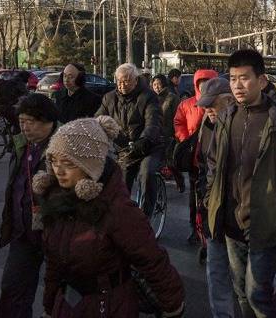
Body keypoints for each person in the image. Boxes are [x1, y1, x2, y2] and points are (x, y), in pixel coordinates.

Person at [32, 116, 185, 318]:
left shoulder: (117, 208)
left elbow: (150, 257)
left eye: (68, 163)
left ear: (90, 165)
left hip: (109, 306)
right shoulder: (56, 201)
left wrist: (172, 305)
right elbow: (54, 265)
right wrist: (50, 306)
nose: (58, 170)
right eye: (53, 161)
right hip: (69, 306)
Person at [205, 49, 276, 317]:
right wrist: (211, 198)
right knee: (241, 290)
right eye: (232, 79)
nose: (238, 85)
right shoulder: (226, 118)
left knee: (258, 292)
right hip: (230, 222)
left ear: (262, 81)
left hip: (265, 222)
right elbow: (213, 164)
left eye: (244, 78)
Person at [0, 93, 59, 318]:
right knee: (12, 289)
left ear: (47, 121)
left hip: (55, 234)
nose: (24, 127)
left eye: (29, 122)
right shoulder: (22, 144)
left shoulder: (63, 147)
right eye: (21, 121)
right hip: (23, 232)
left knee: (61, 298)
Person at [96, 63, 163, 217]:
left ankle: (145, 217)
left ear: (135, 80)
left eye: (126, 81)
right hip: (125, 149)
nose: (122, 85)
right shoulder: (109, 98)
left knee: (147, 173)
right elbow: (98, 118)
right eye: (119, 81)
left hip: (149, 147)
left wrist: (144, 139)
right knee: (120, 184)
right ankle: (122, 218)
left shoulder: (148, 96)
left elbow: (153, 122)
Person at [194, 77, 236, 318]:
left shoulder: (244, 125)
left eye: (213, 104)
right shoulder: (207, 127)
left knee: (249, 283)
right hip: (214, 210)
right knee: (216, 271)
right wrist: (205, 201)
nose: (207, 109)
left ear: (229, 101)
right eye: (205, 104)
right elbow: (203, 167)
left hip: (243, 215)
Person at [173, 69, 218, 242]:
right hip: (194, 157)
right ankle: (195, 227)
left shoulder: (221, 103)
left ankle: (210, 229)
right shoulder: (187, 104)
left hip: (213, 156)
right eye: (201, 84)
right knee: (194, 196)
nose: (204, 86)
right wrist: (186, 140)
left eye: (208, 83)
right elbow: (178, 122)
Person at [151, 74, 183, 191]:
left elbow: (178, 117)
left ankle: (179, 180)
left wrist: (177, 134)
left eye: (158, 84)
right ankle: (157, 187)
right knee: (156, 162)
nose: (156, 87)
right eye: (154, 85)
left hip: (169, 134)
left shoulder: (172, 98)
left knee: (170, 162)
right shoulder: (150, 98)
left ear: (163, 84)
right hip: (154, 134)